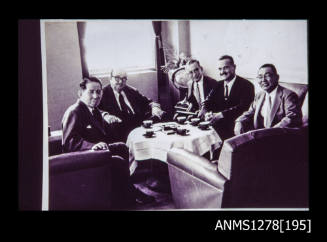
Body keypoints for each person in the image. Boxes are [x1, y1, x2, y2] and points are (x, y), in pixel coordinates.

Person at [62, 76, 155, 205]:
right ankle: (129, 194)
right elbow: (69, 142)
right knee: (117, 161)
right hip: (86, 157)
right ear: (80, 93)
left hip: (99, 152)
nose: (96, 96)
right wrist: (92, 146)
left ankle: (125, 191)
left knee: (122, 147)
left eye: (99, 92)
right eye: (91, 92)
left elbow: (103, 134)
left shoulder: (94, 111)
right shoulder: (74, 112)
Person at [98, 69, 166, 141]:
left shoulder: (131, 91)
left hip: (138, 125)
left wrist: (155, 107)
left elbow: (149, 102)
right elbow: (94, 110)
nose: (121, 82)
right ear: (110, 78)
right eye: (117, 78)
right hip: (120, 129)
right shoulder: (103, 93)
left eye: (124, 79)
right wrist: (105, 115)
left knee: (162, 118)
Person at [234, 64, 302, 135]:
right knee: (230, 143)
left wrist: (270, 132)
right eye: (260, 77)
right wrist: (239, 121)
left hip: (279, 137)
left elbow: (292, 117)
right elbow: (250, 112)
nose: (263, 80)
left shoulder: (288, 95)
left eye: (267, 76)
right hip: (259, 136)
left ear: (277, 77)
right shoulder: (259, 95)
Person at [199, 55, 255, 140]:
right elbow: (208, 101)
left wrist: (220, 115)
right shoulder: (218, 84)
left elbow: (244, 107)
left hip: (237, 129)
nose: (222, 72)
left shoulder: (247, 85)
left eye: (225, 68)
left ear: (234, 67)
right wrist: (205, 110)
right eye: (220, 69)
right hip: (218, 128)